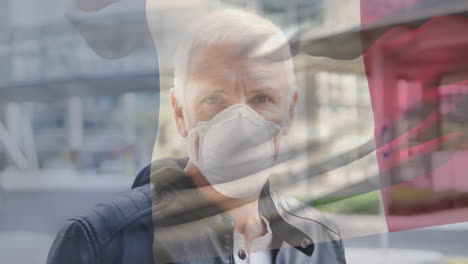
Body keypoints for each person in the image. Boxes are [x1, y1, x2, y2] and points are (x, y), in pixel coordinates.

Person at [47, 9, 346, 264]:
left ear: (289, 111)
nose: (240, 120)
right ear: (180, 113)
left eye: (262, 98)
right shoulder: (99, 244)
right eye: (215, 99)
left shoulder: (320, 242)